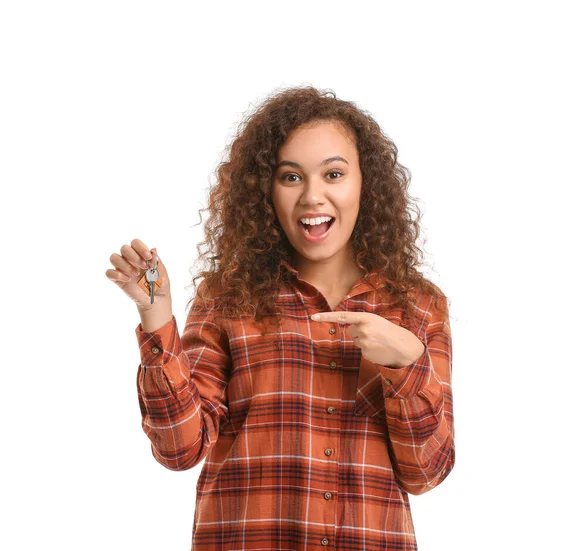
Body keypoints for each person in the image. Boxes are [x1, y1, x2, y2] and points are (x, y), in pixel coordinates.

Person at [106, 85, 455, 551]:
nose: (313, 196)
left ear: (364, 183)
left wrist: (408, 367)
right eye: (291, 177)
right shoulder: (228, 301)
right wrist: (156, 314)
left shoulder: (416, 306)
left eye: (333, 173)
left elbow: (425, 473)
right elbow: (179, 450)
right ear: (265, 191)